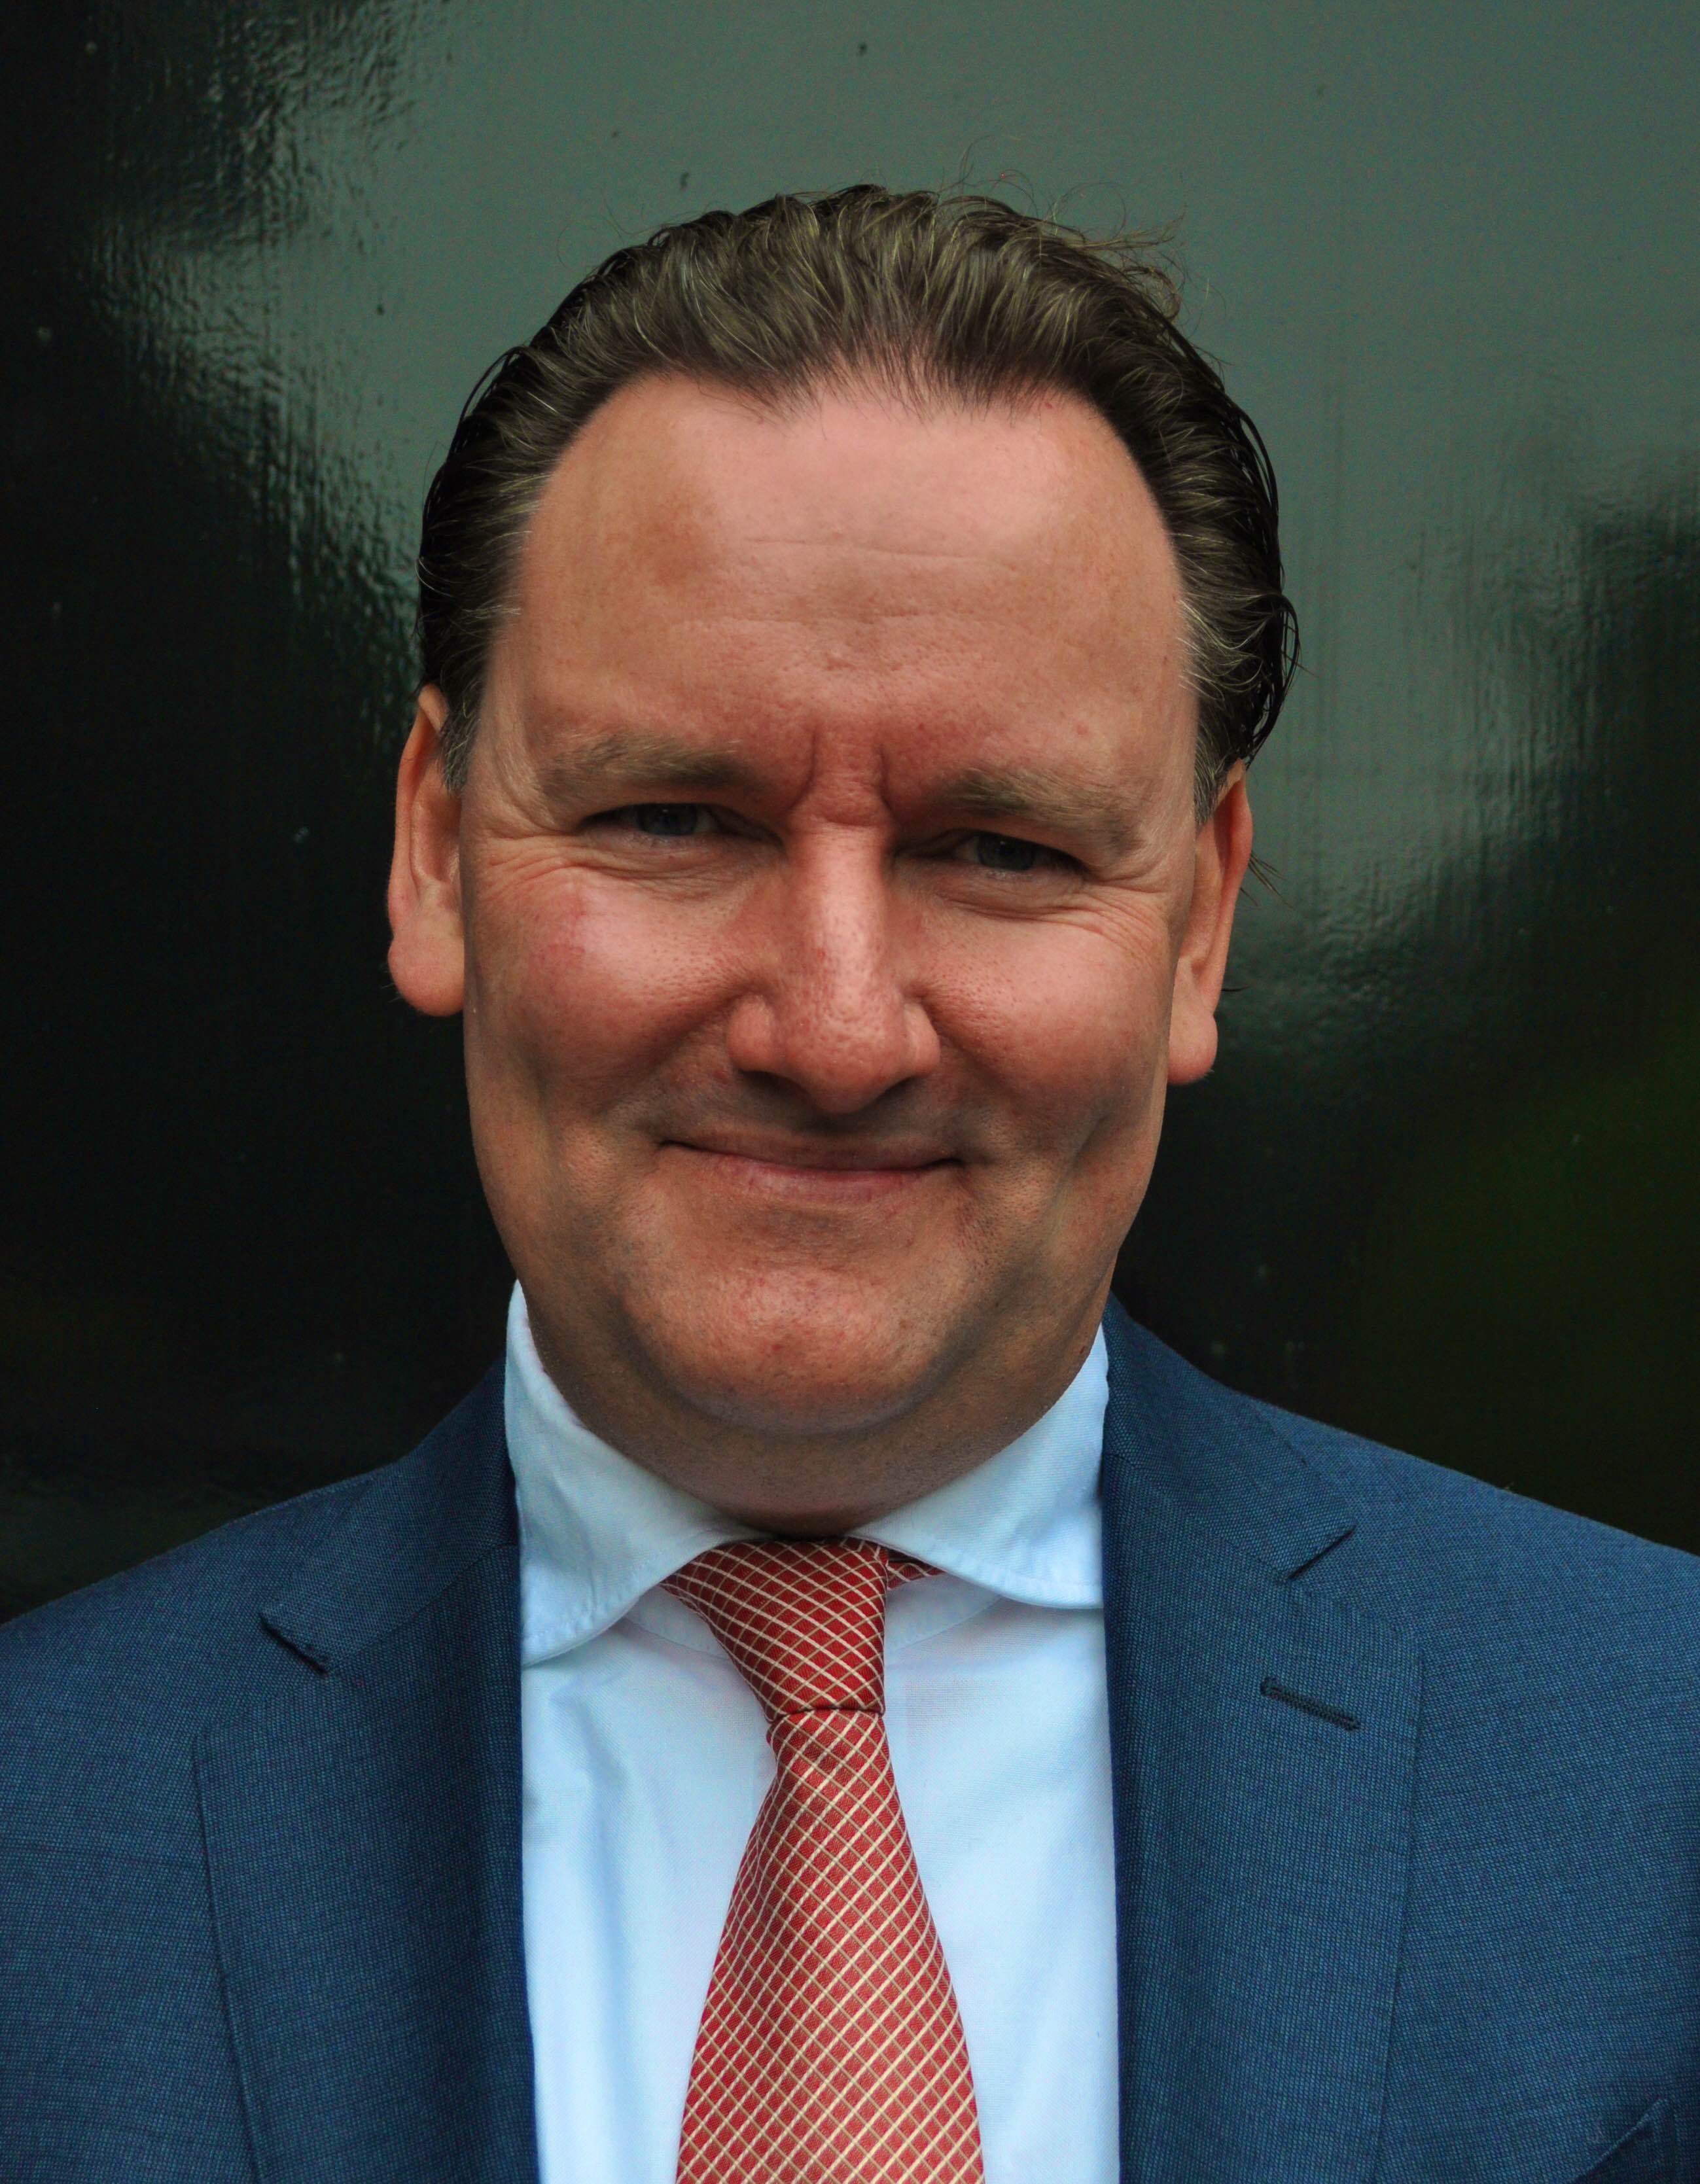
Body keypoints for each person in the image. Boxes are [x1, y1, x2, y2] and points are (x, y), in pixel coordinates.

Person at [1, 186, 1695, 2184]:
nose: (833, 1026)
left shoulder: (1653, 1783)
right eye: (674, 816)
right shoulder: (44, 1835)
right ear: (437, 852)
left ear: (1203, 923)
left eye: (1000, 849)